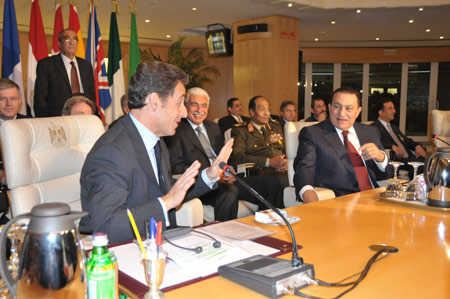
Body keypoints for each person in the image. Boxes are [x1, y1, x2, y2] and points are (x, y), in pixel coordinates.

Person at [79, 61, 233, 244]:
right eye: (179, 103)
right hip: (125, 254)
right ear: (154, 101)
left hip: (159, 244)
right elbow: (107, 227)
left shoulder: (156, 139)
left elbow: (168, 191)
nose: (184, 113)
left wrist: (209, 175)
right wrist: (166, 202)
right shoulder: (112, 152)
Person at [166, 88, 284, 216]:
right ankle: (225, 234)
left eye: (204, 105)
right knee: (229, 192)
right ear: (186, 106)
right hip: (203, 184)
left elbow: (228, 157)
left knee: (271, 183)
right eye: (195, 105)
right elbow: (176, 166)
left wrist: (229, 169)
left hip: (226, 179)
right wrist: (211, 174)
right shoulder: (176, 130)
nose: (200, 110)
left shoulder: (213, 128)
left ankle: (273, 226)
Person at [294, 87, 392, 203]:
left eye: (349, 108)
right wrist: (308, 194)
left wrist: (381, 158)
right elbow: (304, 168)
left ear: (358, 111)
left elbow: (386, 173)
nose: (342, 113)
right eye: (337, 107)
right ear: (330, 107)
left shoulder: (370, 132)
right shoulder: (314, 134)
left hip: (375, 199)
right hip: (341, 201)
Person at [230, 95, 288, 189]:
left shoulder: (276, 127)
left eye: (268, 109)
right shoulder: (241, 130)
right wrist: (269, 162)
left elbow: (286, 151)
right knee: (277, 181)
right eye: (262, 109)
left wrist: (286, 163)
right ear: (252, 112)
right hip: (259, 172)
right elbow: (238, 158)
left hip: (281, 169)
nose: (267, 113)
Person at [34, 29, 95, 117]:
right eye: (67, 39)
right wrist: (43, 120)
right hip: (57, 117)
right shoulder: (46, 64)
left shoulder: (86, 65)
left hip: (84, 116)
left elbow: (91, 94)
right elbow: (40, 96)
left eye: (75, 39)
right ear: (59, 43)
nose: (71, 42)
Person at [371, 98, 427, 179]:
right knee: (423, 165)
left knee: (431, 160)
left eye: (393, 108)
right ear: (381, 112)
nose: (394, 111)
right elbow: (375, 143)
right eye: (390, 108)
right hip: (398, 161)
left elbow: (407, 141)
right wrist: (391, 146)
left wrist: (417, 146)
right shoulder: (374, 128)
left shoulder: (394, 127)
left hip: (409, 158)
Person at [0, 79, 29, 224]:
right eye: (2, 99)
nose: (8, 104)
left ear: (19, 101)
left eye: (13, 98)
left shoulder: (32, 124)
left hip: (29, 191)